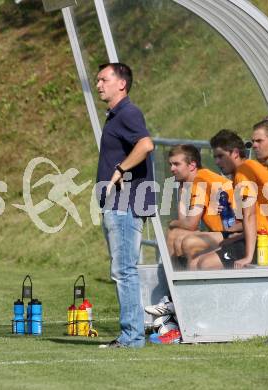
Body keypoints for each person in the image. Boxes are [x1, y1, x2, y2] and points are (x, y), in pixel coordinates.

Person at [96, 63, 155, 348]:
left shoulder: (128, 112)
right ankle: (129, 335)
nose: (98, 85)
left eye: (104, 79)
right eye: (97, 80)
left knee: (124, 271)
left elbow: (145, 145)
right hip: (117, 203)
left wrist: (119, 170)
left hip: (125, 203)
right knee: (123, 270)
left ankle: (131, 337)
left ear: (122, 84)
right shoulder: (116, 115)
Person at [197, 126, 268, 270]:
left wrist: (248, 256)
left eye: (220, 156)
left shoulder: (243, 173)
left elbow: (250, 215)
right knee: (204, 256)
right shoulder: (250, 167)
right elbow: (258, 218)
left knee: (205, 264)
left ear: (235, 153)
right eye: (215, 157)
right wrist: (235, 235)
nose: (217, 162)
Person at [165, 144, 236, 269]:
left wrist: (172, 222)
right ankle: (174, 280)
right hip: (219, 231)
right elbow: (185, 222)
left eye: (176, 164)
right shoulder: (187, 184)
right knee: (173, 235)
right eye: (170, 164)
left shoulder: (201, 179)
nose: (172, 168)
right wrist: (183, 190)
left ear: (192, 166)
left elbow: (191, 224)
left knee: (188, 242)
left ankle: (186, 280)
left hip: (234, 231)